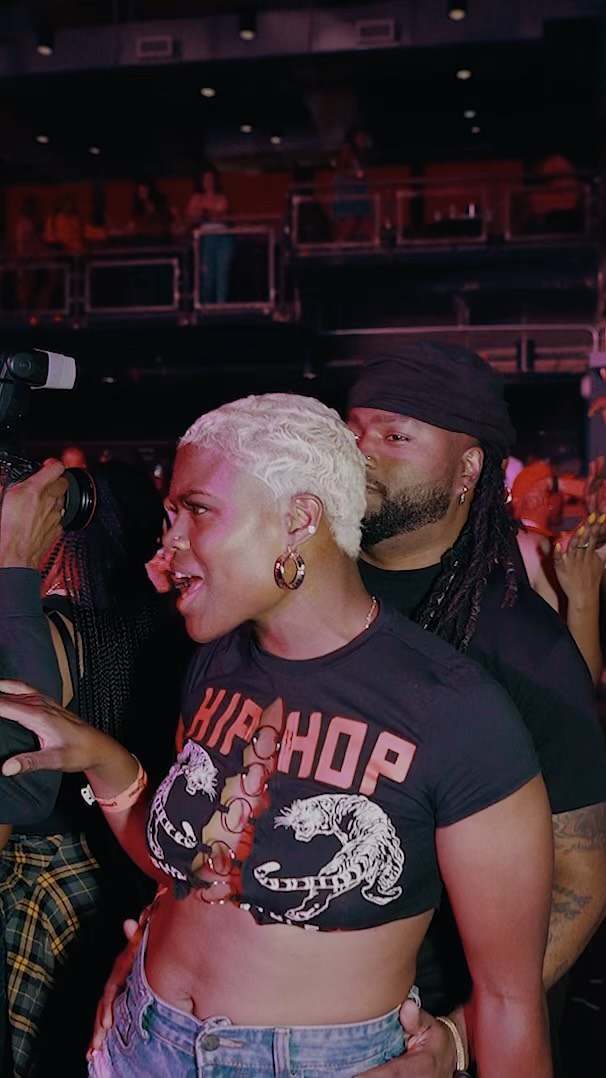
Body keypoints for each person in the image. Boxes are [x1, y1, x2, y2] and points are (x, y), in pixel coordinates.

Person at [0, 393, 554, 1078]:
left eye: (197, 511)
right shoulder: (215, 662)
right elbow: (195, 871)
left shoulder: (456, 712)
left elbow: (509, 1001)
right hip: (141, 1041)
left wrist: (457, 1045)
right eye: (169, 516)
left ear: (298, 519)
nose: (167, 546)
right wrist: (103, 760)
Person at [345, 341, 606, 1077]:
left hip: (422, 1024)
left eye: (396, 435)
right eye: (352, 428)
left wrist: (457, 1034)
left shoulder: (520, 644)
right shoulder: (299, 601)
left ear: (467, 470)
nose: (361, 452)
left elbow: (581, 880)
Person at [0, 457, 191, 1077]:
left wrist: (12, 573)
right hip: (113, 878)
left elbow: (17, 787)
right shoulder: (160, 625)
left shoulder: (42, 632)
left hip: (43, 886)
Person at [185, 165, 235, 304]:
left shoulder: (222, 197)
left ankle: (220, 306)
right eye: (206, 179)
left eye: (211, 179)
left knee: (222, 273)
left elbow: (223, 214)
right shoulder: (196, 198)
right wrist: (204, 212)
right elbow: (191, 215)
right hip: (205, 238)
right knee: (207, 275)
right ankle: (206, 306)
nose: (209, 182)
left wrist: (206, 212)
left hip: (223, 237)